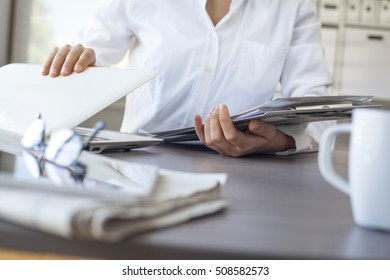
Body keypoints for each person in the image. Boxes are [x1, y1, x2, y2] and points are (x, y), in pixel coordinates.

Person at [42, 0, 332, 157]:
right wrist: (80, 59)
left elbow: (320, 114)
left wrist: (276, 142)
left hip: (245, 172)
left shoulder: (293, 7)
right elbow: (93, 52)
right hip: (141, 161)